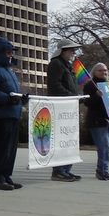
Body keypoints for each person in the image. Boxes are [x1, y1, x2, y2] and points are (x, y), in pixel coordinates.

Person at [0, 37, 27, 191]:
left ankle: (6, 176)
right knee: (2, 148)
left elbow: (12, 91)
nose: (10, 55)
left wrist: (21, 99)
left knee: (11, 148)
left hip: (12, 113)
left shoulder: (8, 69)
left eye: (11, 52)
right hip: (0, 115)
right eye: (8, 52)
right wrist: (9, 98)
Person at [45, 40, 83, 182]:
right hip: (60, 107)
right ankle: (59, 170)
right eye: (71, 50)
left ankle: (66, 169)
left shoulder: (68, 65)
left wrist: (76, 97)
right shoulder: (56, 64)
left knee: (69, 140)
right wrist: (71, 96)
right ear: (63, 51)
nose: (74, 53)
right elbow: (55, 85)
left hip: (69, 107)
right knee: (61, 140)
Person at [82, 62, 109, 180]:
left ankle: (104, 170)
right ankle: (101, 170)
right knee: (103, 146)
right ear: (94, 72)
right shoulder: (90, 85)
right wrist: (96, 96)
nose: (104, 72)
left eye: (105, 70)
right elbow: (87, 102)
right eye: (100, 70)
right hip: (97, 121)